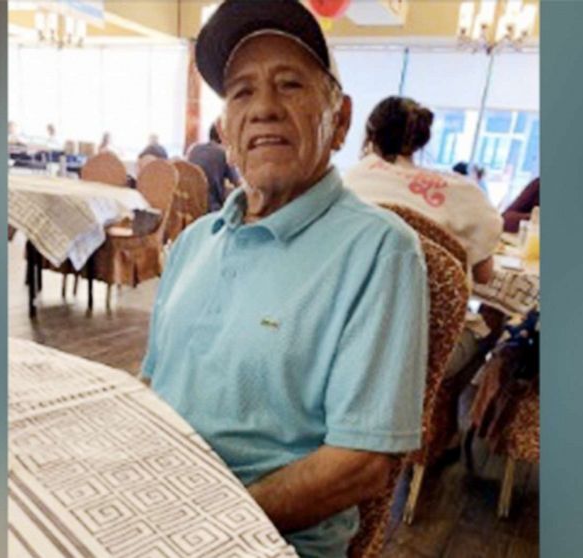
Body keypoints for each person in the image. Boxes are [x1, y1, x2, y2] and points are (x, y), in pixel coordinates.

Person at [141, 2, 429, 556]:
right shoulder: (196, 241)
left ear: (340, 120)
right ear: (226, 129)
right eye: (242, 91)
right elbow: (154, 385)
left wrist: (204, 525)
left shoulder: (379, 251)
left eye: (290, 84)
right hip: (152, 512)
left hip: (262, 539)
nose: (264, 109)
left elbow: (361, 465)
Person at [344, 96, 503, 284]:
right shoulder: (465, 194)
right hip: (430, 312)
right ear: (422, 140)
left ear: (370, 135)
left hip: (354, 303)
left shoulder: (350, 182)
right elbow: (483, 276)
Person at [186, 122, 241, 212]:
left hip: (190, 206)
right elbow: (239, 184)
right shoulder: (223, 154)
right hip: (211, 208)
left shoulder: (194, 149)